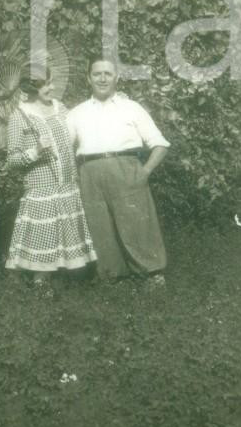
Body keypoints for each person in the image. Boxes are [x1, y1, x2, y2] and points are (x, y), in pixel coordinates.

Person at [66, 57, 169, 287]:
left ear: (116, 78)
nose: (102, 78)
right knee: (99, 225)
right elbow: (63, 149)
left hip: (126, 167)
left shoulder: (131, 108)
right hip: (89, 172)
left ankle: (152, 273)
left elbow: (160, 145)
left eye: (108, 74)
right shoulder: (76, 113)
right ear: (88, 78)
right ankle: (113, 277)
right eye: (97, 74)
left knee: (137, 222)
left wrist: (145, 171)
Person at [5, 67, 97, 289]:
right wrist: (35, 151)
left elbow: (80, 130)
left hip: (66, 184)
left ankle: (68, 279)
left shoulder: (61, 108)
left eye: (51, 82)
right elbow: (11, 161)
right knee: (43, 236)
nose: (52, 88)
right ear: (31, 87)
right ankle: (41, 282)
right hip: (41, 187)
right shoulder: (20, 116)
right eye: (45, 84)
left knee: (68, 240)